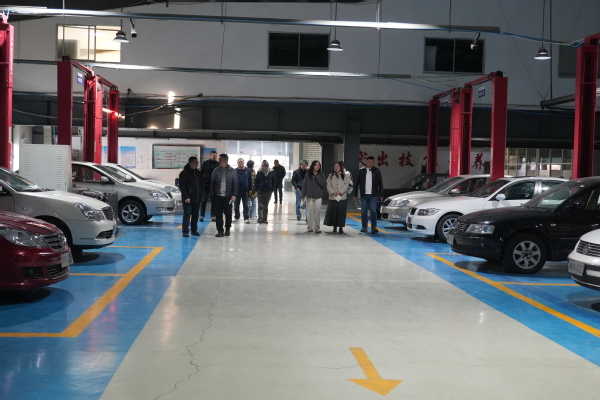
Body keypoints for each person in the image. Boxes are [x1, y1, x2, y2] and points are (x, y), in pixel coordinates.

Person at [210, 154, 238, 237]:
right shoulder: (216, 170)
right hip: (217, 196)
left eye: (221, 160)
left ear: (226, 161)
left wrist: (234, 195)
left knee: (228, 214)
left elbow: (235, 184)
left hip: (228, 197)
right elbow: (212, 183)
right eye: (219, 160)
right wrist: (212, 195)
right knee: (218, 214)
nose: (219, 161)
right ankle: (220, 231)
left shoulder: (232, 171)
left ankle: (227, 228)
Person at [354, 155, 384, 234]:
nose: (371, 164)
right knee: (364, 212)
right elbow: (356, 183)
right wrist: (355, 193)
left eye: (372, 162)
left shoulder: (377, 171)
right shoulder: (361, 171)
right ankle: (364, 227)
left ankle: (374, 227)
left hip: (373, 195)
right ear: (366, 162)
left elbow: (380, 183)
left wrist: (381, 195)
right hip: (364, 195)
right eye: (369, 162)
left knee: (373, 211)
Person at [178, 156, 202, 238]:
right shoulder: (184, 173)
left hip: (197, 198)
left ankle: (194, 230)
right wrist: (186, 197)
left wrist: (201, 194)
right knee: (187, 215)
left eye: (197, 163)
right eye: (194, 162)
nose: (196, 164)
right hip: (188, 198)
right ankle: (185, 231)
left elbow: (201, 185)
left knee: (195, 215)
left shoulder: (198, 173)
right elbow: (182, 186)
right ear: (189, 163)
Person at [324, 162, 350, 234]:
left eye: (337, 166)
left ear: (340, 167)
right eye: (335, 166)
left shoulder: (345, 176)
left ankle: (341, 227)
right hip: (333, 197)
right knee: (333, 212)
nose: (336, 168)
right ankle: (334, 227)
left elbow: (346, 185)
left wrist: (340, 192)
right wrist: (333, 192)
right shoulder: (330, 176)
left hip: (342, 197)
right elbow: (328, 185)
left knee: (341, 213)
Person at [302, 160, 326, 233]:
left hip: (318, 196)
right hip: (309, 196)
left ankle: (317, 227)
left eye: (319, 165)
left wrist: (316, 176)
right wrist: (303, 195)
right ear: (313, 166)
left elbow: (323, 184)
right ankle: (310, 226)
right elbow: (305, 185)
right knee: (310, 212)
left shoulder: (321, 175)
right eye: (316, 165)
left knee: (317, 212)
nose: (317, 166)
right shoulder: (308, 174)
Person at [200, 150, 219, 222]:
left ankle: (213, 215)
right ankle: (202, 215)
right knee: (203, 200)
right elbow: (201, 173)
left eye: (216, 156)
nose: (215, 157)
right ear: (210, 155)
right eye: (214, 155)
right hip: (205, 184)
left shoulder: (218, 164)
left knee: (214, 201)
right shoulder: (205, 163)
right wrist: (201, 183)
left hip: (214, 185)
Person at [234, 158, 253, 224]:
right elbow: (233, 181)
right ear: (237, 163)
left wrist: (250, 189)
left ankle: (246, 218)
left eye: (241, 161)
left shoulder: (248, 170)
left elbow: (250, 180)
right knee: (236, 205)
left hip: (245, 191)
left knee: (246, 205)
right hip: (237, 191)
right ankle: (236, 217)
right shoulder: (235, 171)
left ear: (244, 162)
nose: (240, 163)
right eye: (239, 162)